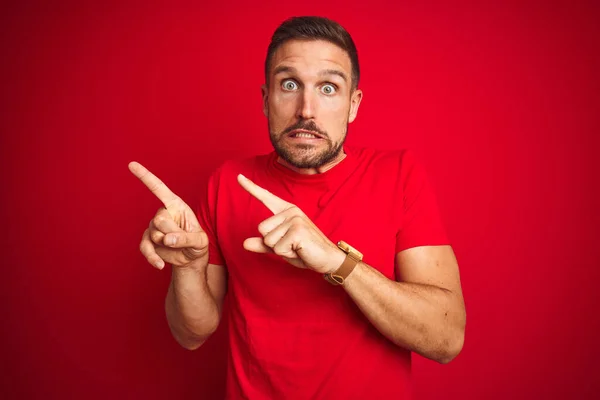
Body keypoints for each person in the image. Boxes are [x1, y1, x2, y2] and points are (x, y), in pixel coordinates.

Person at [129, 16, 466, 400]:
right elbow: (191, 334)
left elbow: (447, 338)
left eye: (328, 87)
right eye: (289, 85)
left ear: (353, 104)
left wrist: (336, 262)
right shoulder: (227, 183)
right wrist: (188, 269)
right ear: (265, 99)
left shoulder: (400, 175)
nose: (307, 109)